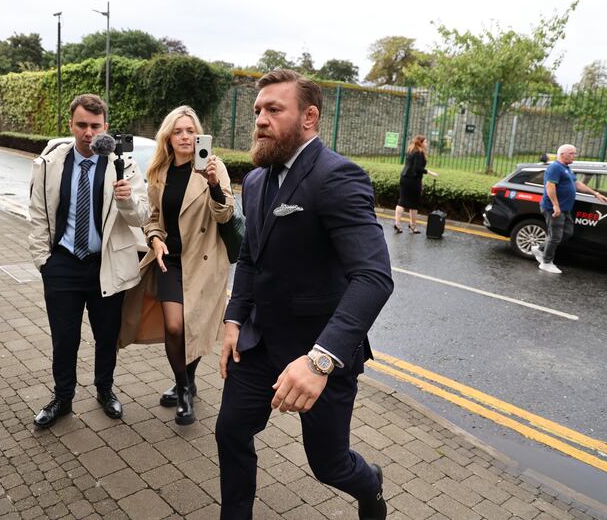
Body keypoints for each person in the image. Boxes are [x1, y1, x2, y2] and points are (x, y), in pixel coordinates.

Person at [216, 69, 393, 520]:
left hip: (320, 352)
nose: (260, 119)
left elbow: (373, 277)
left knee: (329, 465)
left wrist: (320, 360)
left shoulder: (338, 176)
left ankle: (370, 486)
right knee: (230, 430)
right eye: (258, 110)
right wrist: (234, 320)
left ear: (309, 117)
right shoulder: (255, 181)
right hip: (258, 344)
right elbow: (252, 257)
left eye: (274, 110)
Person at [27, 94, 151, 428]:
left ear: (105, 127)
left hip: (106, 266)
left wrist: (126, 201)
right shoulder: (51, 163)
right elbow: (38, 215)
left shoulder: (123, 166)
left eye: (95, 126)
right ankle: (62, 398)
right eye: (81, 124)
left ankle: (105, 390)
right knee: (64, 338)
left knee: (106, 336)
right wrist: (44, 261)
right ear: (71, 124)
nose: (88, 132)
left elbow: (142, 216)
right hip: (63, 265)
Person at [119, 106, 234, 426]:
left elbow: (225, 214)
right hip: (170, 260)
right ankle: (184, 388)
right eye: (178, 131)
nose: (185, 136)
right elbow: (154, 219)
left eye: (191, 130)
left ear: (199, 135)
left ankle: (187, 382)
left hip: (204, 263)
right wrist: (154, 239)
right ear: (168, 138)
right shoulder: (159, 172)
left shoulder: (215, 167)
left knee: (194, 327)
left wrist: (211, 183)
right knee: (174, 326)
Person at [531, 144, 607, 273]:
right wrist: (556, 205)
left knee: (567, 233)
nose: (574, 156)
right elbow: (550, 186)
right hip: (553, 208)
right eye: (572, 153)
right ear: (562, 154)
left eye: (574, 153)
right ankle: (546, 262)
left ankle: (540, 248)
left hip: (565, 208)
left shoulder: (566, 168)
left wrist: (595, 193)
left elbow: (577, 184)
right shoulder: (555, 167)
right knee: (555, 236)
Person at [393, 135, 438, 234]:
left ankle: (397, 224)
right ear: (420, 143)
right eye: (425, 142)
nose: (427, 144)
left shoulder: (410, 150)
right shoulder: (420, 152)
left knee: (401, 202)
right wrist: (431, 172)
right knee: (414, 204)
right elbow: (418, 168)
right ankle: (412, 226)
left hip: (404, 177)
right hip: (413, 180)